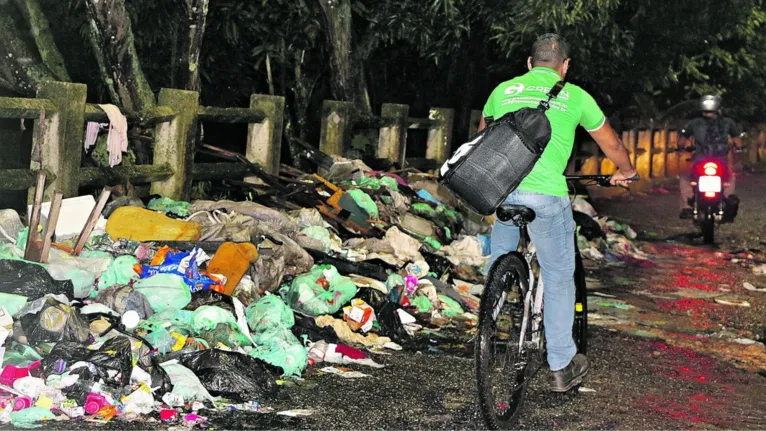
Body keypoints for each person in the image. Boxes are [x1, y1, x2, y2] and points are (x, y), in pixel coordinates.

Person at [478, 33, 637, 392]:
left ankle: (491, 310)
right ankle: (562, 364)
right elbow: (610, 143)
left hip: (501, 192)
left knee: (501, 256)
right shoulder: (576, 96)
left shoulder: (502, 90)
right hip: (546, 196)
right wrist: (625, 171)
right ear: (564, 67)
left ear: (530, 64)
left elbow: (483, 141)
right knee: (560, 274)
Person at [677, 95, 742, 221]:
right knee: (730, 178)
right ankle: (728, 200)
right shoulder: (727, 122)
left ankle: (686, 207)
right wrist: (738, 148)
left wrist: (681, 148)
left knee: (685, 177)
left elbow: (682, 140)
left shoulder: (694, 123)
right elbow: (737, 140)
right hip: (721, 162)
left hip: (700, 162)